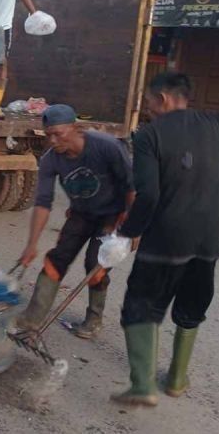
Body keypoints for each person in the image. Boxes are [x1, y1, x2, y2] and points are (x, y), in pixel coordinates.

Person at [111, 72, 219, 407]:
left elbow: (149, 195)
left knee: (141, 306)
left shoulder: (149, 136)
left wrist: (126, 235)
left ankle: (142, 387)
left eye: (150, 102)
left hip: (165, 242)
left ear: (164, 99)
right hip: (208, 241)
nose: (148, 108)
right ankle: (177, 380)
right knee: (192, 306)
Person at [17, 104, 135, 339]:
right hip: (81, 213)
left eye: (57, 134)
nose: (52, 141)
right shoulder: (51, 160)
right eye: (48, 134)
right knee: (57, 258)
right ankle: (31, 321)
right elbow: (43, 203)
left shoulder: (106, 146)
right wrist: (31, 244)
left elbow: (131, 188)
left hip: (113, 215)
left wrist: (132, 227)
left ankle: (93, 318)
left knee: (96, 264)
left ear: (76, 128)